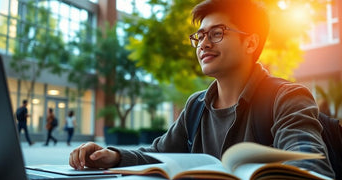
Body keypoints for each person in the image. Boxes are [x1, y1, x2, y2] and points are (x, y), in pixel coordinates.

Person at [69, 0, 335, 178]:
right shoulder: (196, 106)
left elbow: (310, 166)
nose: (203, 44)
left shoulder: (286, 98)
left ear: (251, 43)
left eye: (217, 33)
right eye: (200, 35)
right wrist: (112, 156)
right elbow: (156, 155)